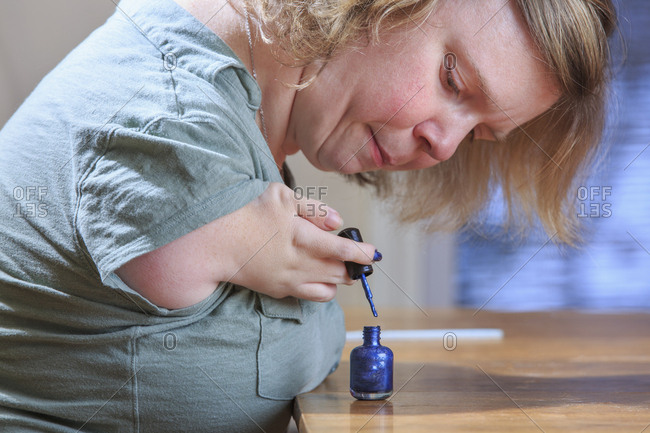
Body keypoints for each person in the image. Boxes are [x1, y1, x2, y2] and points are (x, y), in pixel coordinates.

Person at [0, 0, 616, 431]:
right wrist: (235, 235)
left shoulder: (252, 120)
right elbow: (158, 233)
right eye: (452, 79)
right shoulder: (169, 115)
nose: (445, 146)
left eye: (479, 133)